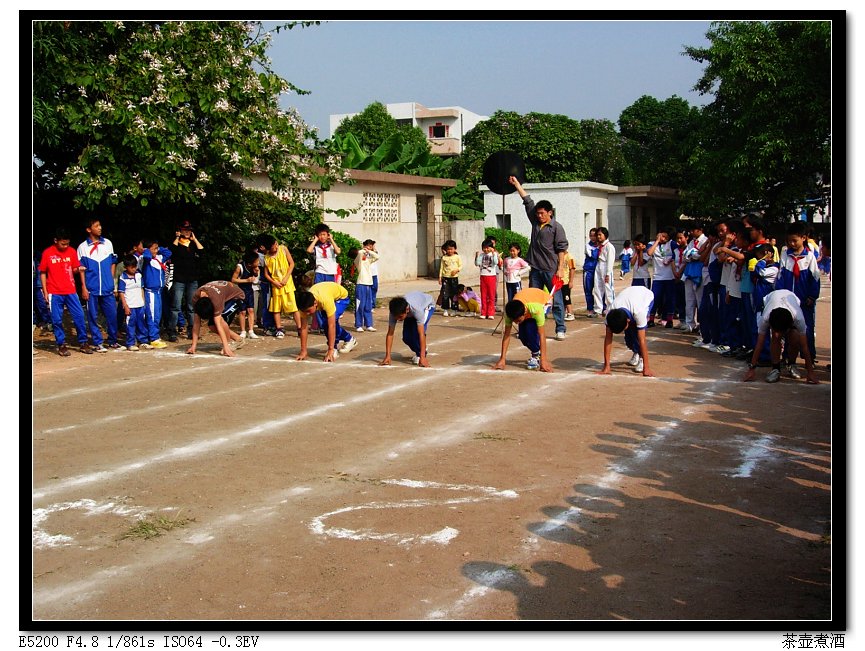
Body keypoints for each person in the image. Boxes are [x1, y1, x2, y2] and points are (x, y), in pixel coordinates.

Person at [508, 176, 569, 340]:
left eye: (542, 213)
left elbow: (562, 249)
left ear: (550, 213)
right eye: (538, 213)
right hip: (535, 269)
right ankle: (532, 327)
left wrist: (560, 269)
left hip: (551, 270)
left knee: (556, 300)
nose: (540, 215)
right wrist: (516, 185)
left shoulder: (557, 228)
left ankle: (560, 328)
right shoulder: (535, 222)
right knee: (533, 300)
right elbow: (527, 201)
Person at [743, 289, 818, 384]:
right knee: (775, 336)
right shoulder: (766, 317)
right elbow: (759, 344)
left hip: (792, 300)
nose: (779, 333)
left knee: (795, 338)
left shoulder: (798, 318)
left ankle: (791, 364)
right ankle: (775, 368)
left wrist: (810, 372)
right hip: (771, 299)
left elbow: (804, 346)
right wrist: (751, 369)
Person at [39, 228, 92, 356]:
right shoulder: (47, 253)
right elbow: (43, 272)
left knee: (79, 316)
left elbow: (74, 268)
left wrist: (78, 269)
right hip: (54, 291)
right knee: (57, 319)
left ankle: (83, 342)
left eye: (67, 243)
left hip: (70, 290)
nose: (65, 246)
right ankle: (61, 344)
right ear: (56, 241)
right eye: (63, 244)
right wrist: (45, 291)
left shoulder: (72, 251)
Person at [775, 221, 820, 363]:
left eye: (795, 240)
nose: (792, 244)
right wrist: (780, 295)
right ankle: (788, 356)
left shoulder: (809, 257)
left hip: (805, 300)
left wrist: (812, 296)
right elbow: (780, 276)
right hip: (788, 300)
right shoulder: (785, 255)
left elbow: (815, 278)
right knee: (788, 328)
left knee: (806, 328)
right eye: (789, 241)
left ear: (804, 238)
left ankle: (809, 357)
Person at [77, 217, 120, 352]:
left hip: (107, 288)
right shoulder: (82, 247)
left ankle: (113, 341)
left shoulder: (108, 243)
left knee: (112, 315)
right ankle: (97, 342)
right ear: (89, 229)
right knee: (92, 316)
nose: (100, 228)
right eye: (96, 226)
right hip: (92, 288)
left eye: (100, 225)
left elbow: (113, 262)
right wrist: (84, 287)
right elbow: (81, 270)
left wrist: (111, 280)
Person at [595, 285, 656, 377]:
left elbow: (642, 340)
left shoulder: (639, 311)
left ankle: (641, 358)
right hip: (629, 297)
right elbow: (608, 338)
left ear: (628, 321)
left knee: (636, 333)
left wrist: (646, 368)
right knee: (628, 339)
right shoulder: (610, 313)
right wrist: (606, 366)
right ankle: (636, 351)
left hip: (645, 296)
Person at [492, 287, 553, 372]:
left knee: (530, 330)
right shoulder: (509, 313)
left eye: (518, 320)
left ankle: (536, 355)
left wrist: (544, 361)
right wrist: (502, 359)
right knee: (522, 336)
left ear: (524, 313)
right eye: (514, 321)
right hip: (526, 301)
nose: (516, 323)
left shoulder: (536, 309)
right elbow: (506, 335)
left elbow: (542, 334)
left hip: (544, 302)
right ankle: (536, 352)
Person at [296, 281, 358, 362]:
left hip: (341, 298)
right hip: (326, 294)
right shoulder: (304, 306)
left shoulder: (325, 300)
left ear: (315, 303)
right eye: (305, 311)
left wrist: (330, 349)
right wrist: (303, 351)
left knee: (329, 322)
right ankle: (349, 339)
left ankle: (334, 348)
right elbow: (303, 328)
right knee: (323, 324)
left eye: (308, 311)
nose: (307, 314)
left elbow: (331, 325)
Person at [186, 280, 247, 357]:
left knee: (221, 319)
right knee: (212, 325)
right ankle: (238, 339)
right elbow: (196, 323)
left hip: (236, 297)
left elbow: (219, 325)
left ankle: (228, 344)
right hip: (222, 296)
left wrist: (226, 347)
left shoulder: (216, 300)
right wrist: (193, 346)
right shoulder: (196, 299)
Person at [167, 219, 203, 341]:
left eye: (189, 230)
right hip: (179, 279)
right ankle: (172, 330)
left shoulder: (192, 244)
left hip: (192, 279)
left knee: (191, 306)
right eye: (184, 229)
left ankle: (192, 330)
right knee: (176, 306)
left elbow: (202, 251)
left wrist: (194, 239)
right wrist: (177, 237)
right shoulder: (177, 243)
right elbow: (171, 251)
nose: (187, 232)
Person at [261, 234, 302, 340]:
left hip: (287, 284)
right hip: (276, 286)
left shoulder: (283, 249)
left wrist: (286, 278)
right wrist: (274, 282)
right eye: (273, 246)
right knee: (276, 308)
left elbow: (291, 264)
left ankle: (300, 328)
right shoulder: (266, 257)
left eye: (275, 244)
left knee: (293, 307)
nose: (276, 247)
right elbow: (266, 274)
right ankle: (279, 329)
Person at [379, 291, 436, 367]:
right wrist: (388, 356)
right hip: (411, 311)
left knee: (416, 333)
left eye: (400, 317)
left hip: (426, 306)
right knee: (406, 337)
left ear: (407, 310)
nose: (398, 319)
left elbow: (421, 334)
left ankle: (421, 355)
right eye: (396, 317)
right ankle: (422, 349)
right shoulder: (394, 312)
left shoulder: (417, 310)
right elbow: (390, 333)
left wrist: (422, 357)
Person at [140, 238, 172, 349]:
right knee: (152, 315)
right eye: (154, 249)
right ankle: (153, 337)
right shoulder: (146, 259)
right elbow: (147, 256)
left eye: (157, 248)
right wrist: (147, 250)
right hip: (150, 292)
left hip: (159, 292)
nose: (156, 251)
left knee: (157, 315)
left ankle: (155, 336)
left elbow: (169, 253)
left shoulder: (159, 258)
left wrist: (158, 249)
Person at [117, 254, 146, 351]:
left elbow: (141, 288)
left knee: (141, 323)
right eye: (132, 267)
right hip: (130, 305)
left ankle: (142, 341)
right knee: (130, 324)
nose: (134, 269)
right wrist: (125, 306)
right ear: (126, 267)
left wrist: (143, 302)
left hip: (140, 304)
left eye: (135, 266)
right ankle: (130, 342)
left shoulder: (139, 275)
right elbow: (121, 293)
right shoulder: (123, 277)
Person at [647, 228, 675, 328]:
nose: (663, 238)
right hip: (658, 277)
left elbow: (677, 254)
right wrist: (657, 241)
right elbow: (649, 253)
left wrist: (670, 259)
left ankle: (669, 320)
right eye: (661, 236)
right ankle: (651, 319)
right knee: (655, 298)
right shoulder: (652, 243)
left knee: (669, 299)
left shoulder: (671, 244)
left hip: (670, 276)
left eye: (665, 237)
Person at [231, 250, 261, 339]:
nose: (258, 262)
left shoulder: (254, 267)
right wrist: (246, 280)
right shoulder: (240, 267)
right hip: (240, 291)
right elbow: (233, 279)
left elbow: (254, 277)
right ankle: (243, 330)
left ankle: (251, 330)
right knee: (242, 311)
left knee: (251, 310)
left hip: (249, 290)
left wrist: (256, 273)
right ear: (250, 263)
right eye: (256, 261)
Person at [353, 239, 380, 331]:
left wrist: (369, 251)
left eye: (371, 245)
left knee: (368, 305)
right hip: (361, 284)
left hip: (368, 283)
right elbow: (360, 253)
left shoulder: (368, 260)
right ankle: (359, 325)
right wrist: (364, 250)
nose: (369, 247)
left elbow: (377, 257)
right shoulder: (358, 260)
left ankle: (369, 324)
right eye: (367, 245)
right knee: (360, 305)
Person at [592, 226, 615, 317]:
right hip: (599, 265)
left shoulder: (609, 246)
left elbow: (610, 260)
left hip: (606, 266)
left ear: (605, 235)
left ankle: (611, 309)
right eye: (597, 235)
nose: (598, 237)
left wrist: (608, 273)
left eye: (600, 235)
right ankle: (598, 309)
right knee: (597, 288)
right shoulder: (599, 246)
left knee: (608, 288)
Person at [475, 238, 499, 319]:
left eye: (488, 247)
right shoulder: (482, 255)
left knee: (491, 295)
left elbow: (495, 262)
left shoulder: (494, 254)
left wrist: (493, 254)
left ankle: (491, 312)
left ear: (491, 248)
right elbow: (477, 263)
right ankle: (484, 312)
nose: (486, 249)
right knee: (484, 295)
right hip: (483, 276)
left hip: (491, 276)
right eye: (484, 248)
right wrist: (477, 256)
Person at [438, 239, 462, 317]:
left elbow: (460, 266)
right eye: (448, 249)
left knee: (454, 294)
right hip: (445, 278)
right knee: (445, 294)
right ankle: (445, 309)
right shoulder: (444, 258)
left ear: (455, 249)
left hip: (454, 278)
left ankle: (454, 309)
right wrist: (440, 277)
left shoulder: (457, 257)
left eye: (451, 249)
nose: (450, 251)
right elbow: (441, 267)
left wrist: (457, 270)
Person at [582, 228, 599, 316]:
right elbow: (593, 255)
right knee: (588, 290)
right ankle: (590, 309)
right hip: (589, 271)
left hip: (598, 271)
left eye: (594, 236)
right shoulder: (588, 246)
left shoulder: (601, 245)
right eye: (591, 235)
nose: (593, 238)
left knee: (599, 290)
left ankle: (600, 308)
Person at [561, 249, 577, 321]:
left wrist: (571, 281)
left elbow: (572, 269)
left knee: (566, 297)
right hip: (559, 281)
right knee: (561, 297)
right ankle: (563, 312)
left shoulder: (569, 257)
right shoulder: (559, 256)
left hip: (566, 281)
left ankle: (570, 313)